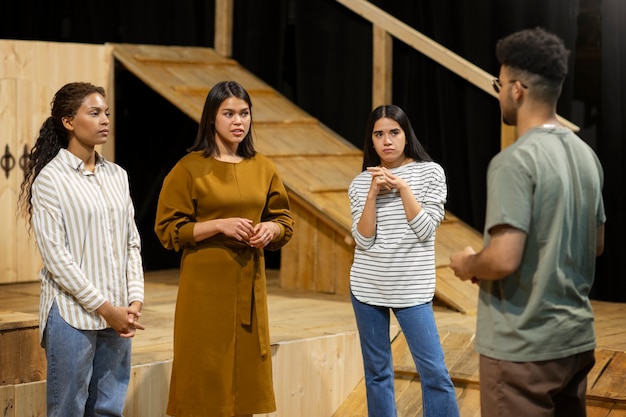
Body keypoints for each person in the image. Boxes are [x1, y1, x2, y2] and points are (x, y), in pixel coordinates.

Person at [449, 28, 606, 417]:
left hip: (523, 350)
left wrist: (468, 262)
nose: (498, 92)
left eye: (498, 84)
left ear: (516, 90)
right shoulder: (586, 155)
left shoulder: (514, 161)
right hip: (575, 341)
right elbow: (596, 244)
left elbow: (502, 260)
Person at [154, 80, 294, 417]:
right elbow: (167, 230)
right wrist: (218, 225)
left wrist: (270, 229)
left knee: (244, 387)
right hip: (204, 290)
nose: (238, 121)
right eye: (229, 113)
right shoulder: (189, 168)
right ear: (211, 119)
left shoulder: (263, 167)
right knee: (204, 379)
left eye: (244, 113)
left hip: (248, 285)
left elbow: (284, 220)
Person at [18, 82, 145, 416]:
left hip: (118, 310)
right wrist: (105, 307)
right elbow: (56, 258)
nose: (104, 119)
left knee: (108, 408)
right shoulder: (51, 179)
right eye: (94, 113)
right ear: (68, 121)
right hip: (72, 315)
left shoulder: (118, 175)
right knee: (67, 409)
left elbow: (131, 241)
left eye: (106, 113)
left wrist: (134, 299)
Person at [348, 104, 459, 417]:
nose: (387, 140)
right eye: (379, 134)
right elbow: (364, 239)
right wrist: (372, 194)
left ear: (405, 136)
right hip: (367, 288)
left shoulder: (430, 172)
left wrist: (403, 188)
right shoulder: (360, 183)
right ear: (370, 141)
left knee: (434, 372)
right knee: (377, 373)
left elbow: (425, 230)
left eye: (394, 132)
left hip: (412, 289)